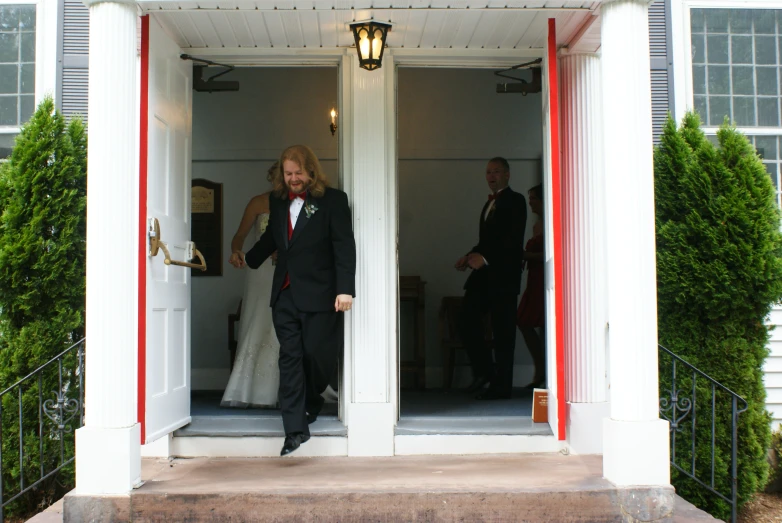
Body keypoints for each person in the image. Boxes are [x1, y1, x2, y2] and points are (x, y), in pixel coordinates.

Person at [239, 145, 356, 456]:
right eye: (288, 173)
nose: (293, 179)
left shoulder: (333, 201)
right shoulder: (278, 202)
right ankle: (294, 430)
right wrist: (248, 259)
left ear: (311, 171)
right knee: (289, 358)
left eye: (298, 173)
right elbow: (273, 239)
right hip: (285, 295)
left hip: (322, 294)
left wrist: (346, 289)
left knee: (317, 355)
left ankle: (312, 398)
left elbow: (344, 246)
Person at [455, 157, 527, 400]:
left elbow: (511, 240)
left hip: (504, 276)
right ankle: (485, 372)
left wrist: (484, 258)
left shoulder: (516, 200)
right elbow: (487, 241)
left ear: (507, 174)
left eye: (496, 171)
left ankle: (502, 386)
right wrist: (469, 256)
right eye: (488, 172)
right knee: (465, 319)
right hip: (484, 278)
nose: (491, 176)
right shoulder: (488, 205)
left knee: (503, 331)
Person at [221, 163, 280, 409]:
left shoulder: (301, 203)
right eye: (280, 177)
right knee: (259, 318)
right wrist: (236, 250)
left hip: (291, 270)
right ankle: (248, 390)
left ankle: (283, 390)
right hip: (262, 270)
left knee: (283, 322)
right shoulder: (258, 202)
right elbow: (240, 235)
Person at [516, 183, 545, 389]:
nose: (530, 202)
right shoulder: (537, 225)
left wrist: (524, 255)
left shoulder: (550, 223)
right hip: (533, 278)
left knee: (540, 323)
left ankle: (543, 372)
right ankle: (540, 368)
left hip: (543, 278)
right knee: (524, 321)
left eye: (533, 198)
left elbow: (548, 255)